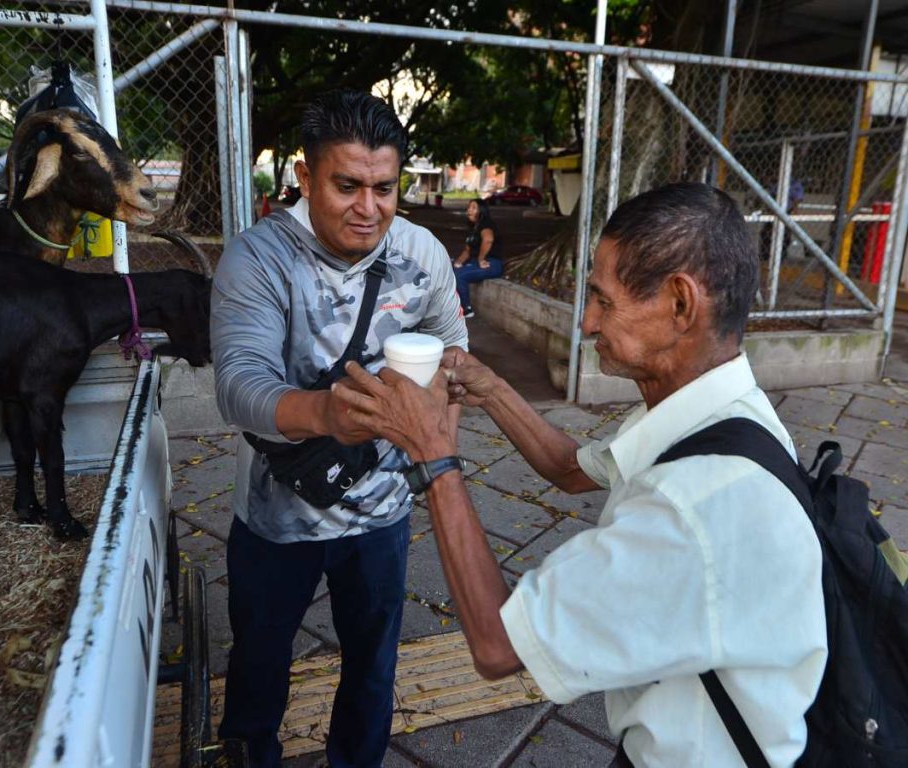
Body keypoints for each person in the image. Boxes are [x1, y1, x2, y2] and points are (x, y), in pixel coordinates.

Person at [334, 182, 827, 767]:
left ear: (680, 304)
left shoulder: (694, 507)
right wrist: (491, 389)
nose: (587, 322)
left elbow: (497, 646)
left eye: (603, 300)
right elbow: (571, 469)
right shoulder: (723, 416)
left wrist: (434, 454)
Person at [210, 90, 468, 768]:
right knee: (260, 663)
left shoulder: (422, 254)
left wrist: (439, 463)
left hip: (383, 513)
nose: (369, 208)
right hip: (276, 519)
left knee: (373, 666)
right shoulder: (258, 258)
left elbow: (456, 357)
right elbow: (239, 387)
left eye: (385, 188)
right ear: (304, 177)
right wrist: (324, 413)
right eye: (347, 185)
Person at [452, 197, 503, 317]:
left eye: (474, 208)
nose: (469, 210)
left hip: (491, 263)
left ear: (482, 211)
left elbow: (488, 240)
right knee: (449, 268)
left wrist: (481, 259)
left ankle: (466, 309)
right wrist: (458, 262)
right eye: (469, 207)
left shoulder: (486, 224)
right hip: (476, 262)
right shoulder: (473, 228)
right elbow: (467, 251)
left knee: (459, 275)